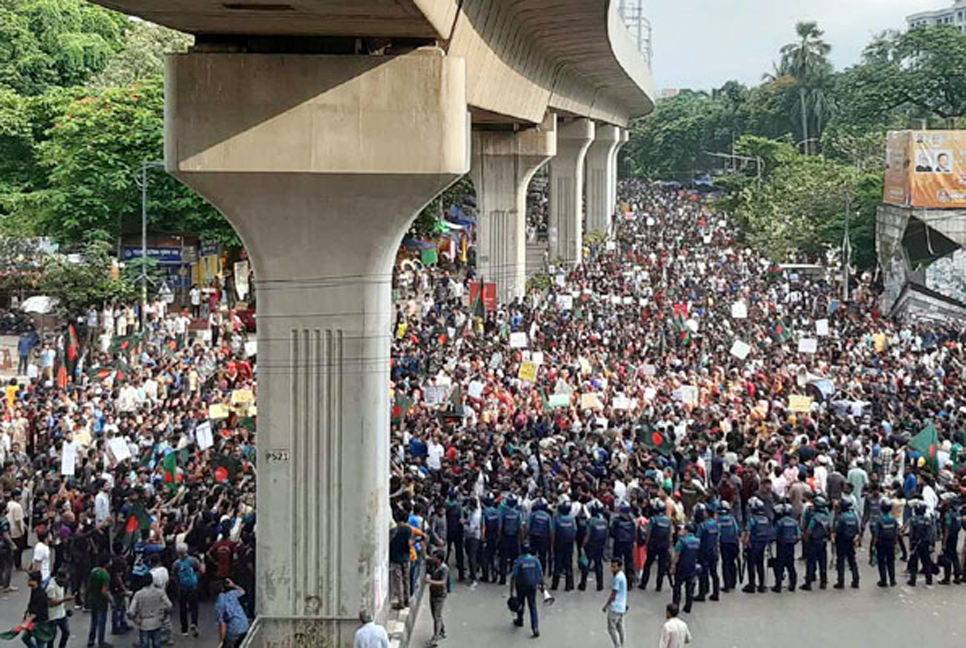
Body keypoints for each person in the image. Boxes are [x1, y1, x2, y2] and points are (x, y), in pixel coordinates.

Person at [127, 579, 172, 648]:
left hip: (144, 624)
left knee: (144, 644)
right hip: (157, 622)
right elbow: (169, 605)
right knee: (157, 644)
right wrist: (164, 616)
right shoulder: (160, 592)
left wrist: (135, 620)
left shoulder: (138, 594)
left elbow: (130, 611)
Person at [509, 544, 542, 638]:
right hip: (532, 586)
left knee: (521, 603)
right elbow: (540, 573)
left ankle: (520, 620)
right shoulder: (535, 560)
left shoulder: (519, 561)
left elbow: (513, 576)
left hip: (521, 586)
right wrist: (541, 585)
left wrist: (511, 591)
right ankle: (535, 627)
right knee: (533, 606)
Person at [640, 500, 671, 592]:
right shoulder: (668, 521)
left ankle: (643, 583)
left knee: (648, 564)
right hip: (664, 546)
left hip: (653, 545)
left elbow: (648, 533)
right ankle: (659, 586)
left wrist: (646, 544)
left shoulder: (653, 519)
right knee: (661, 566)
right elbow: (670, 534)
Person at [741, 497, 771, 593]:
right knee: (760, 564)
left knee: (751, 565)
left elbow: (748, 532)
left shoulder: (752, 519)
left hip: (753, 544)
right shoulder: (765, 519)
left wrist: (744, 544)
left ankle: (752, 584)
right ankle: (762, 585)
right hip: (762, 544)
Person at [173, 545, 203, 637]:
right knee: (194, 607)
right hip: (193, 587)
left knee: (182, 608)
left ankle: (184, 629)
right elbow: (199, 570)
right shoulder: (193, 561)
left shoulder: (176, 564)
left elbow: (174, 576)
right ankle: (194, 623)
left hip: (182, 588)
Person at [802, 496, 831, 591]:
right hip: (823, 542)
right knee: (822, 562)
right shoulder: (826, 517)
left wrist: (805, 538)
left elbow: (809, 530)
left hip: (813, 542)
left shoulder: (814, 518)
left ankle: (808, 582)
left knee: (811, 562)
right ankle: (823, 582)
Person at [771, 504, 800, 593]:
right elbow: (798, 536)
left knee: (779, 565)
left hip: (781, 545)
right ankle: (793, 584)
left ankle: (778, 585)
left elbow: (774, 534)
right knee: (791, 565)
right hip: (790, 545)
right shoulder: (795, 522)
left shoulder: (780, 522)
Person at [671, 523, 700, 614]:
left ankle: (675, 605)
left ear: (687, 531)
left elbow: (677, 555)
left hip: (682, 567)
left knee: (677, 586)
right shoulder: (697, 541)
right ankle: (688, 606)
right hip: (692, 566)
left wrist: (673, 567)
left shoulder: (682, 541)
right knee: (689, 586)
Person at [905, 501, 935, 587]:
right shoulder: (928, 520)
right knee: (926, 563)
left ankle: (912, 580)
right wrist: (932, 544)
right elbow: (932, 533)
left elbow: (911, 533)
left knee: (914, 563)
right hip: (925, 543)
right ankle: (929, 580)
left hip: (916, 544)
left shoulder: (914, 520)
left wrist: (910, 544)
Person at [580, 505, 609, 591]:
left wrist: (582, 545)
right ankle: (600, 585)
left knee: (586, 564)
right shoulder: (604, 521)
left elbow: (587, 535)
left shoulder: (591, 521)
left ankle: (583, 584)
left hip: (591, 545)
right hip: (600, 545)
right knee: (598, 564)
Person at [833, 499, 861, 589]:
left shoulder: (841, 517)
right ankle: (856, 580)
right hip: (851, 541)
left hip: (841, 541)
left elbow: (837, 529)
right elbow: (857, 529)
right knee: (852, 560)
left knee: (840, 561)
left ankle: (841, 582)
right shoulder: (854, 516)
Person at [694, 504, 719, 602]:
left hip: (704, 551)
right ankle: (716, 593)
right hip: (713, 550)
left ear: (707, 513)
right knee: (714, 573)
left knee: (703, 573)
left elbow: (697, 539)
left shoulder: (703, 525)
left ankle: (702, 594)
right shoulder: (716, 524)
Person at [215, 580, 250, 648]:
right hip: (244, 626)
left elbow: (222, 624)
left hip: (234, 631)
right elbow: (243, 591)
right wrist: (233, 585)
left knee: (227, 642)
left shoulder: (218, 605)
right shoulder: (232, 594)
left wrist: (221, 641)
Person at [424, 554, 449, 646]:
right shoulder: (433, 564)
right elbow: (425, 557)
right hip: (433, 593)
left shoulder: (444, 569)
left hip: (440, 595)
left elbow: (443, 582)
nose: (433, 559)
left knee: (436, 616)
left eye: (435, 557)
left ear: (439, 560)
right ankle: (442, 631)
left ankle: (435, 637)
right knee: (435, 614)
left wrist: (430, 581)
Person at [87, 556, 112, 648]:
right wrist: (111, 600)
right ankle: (101, 641)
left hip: (93, 599)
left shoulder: (93, 572)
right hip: (102, 602)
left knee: (93, 621)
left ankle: (91, 640)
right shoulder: (105, 575)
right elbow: (104, 591)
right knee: (101, 621)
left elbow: (88, 586)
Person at [601, 559, 627, 648]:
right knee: (620, 626)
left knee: (611, 628)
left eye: (614, 566)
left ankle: (617, 645)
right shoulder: (622, 576)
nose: (612, 569)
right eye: (612, 566)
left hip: (615, 607)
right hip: (622, 607)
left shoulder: (617, 578)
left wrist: (606, 605)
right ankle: (622, 643)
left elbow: (613, 594)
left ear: (619, 567)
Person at [551, 501, 576, 591]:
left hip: (559, 543)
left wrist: (552, 544)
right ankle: (569, 585)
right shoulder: (571, 519)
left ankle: (555, 585)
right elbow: (574, 532)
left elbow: (553, 532)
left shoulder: (556, 518)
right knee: (568, 564)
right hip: (569, 544)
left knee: (557, 564)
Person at [874, 499, 899, 587]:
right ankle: (892, 580)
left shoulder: (879, 520)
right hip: (891, 542)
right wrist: (895, 542)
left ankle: (883, 580)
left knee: (881, 562)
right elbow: (896, 532)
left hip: (881, 542)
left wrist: (874, 545)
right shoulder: (893, 519)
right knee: (891, 561)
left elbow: (876, 534)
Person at [22, 571, 49, 648]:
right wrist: (26, 614)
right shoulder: (34, 590)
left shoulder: (41, 594)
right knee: (25, 638)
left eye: (30, 580)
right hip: (33, 621)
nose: (28, 581)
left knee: (40, 642)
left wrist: (26, 622)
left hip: (40, 623)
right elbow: (31, 604)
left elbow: (36, 611)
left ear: (35, 581)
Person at [716, 501, 740, 593]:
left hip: (724, 544)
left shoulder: (718, 520)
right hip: (733, 543)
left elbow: (717, 533)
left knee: (725, 563)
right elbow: (737, 530)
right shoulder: (732, 519)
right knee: (732, 563)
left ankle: (727, 585)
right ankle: (733, 583)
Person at [47, 570, 73, 648]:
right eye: (65, 579)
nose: (66, 581)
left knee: (66, 632)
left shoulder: (62, 584)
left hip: (61, 613)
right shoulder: (51, 587)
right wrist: (65, 600)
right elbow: (51, 604)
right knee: (51, 637)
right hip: (52, 616)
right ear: (59, 578)